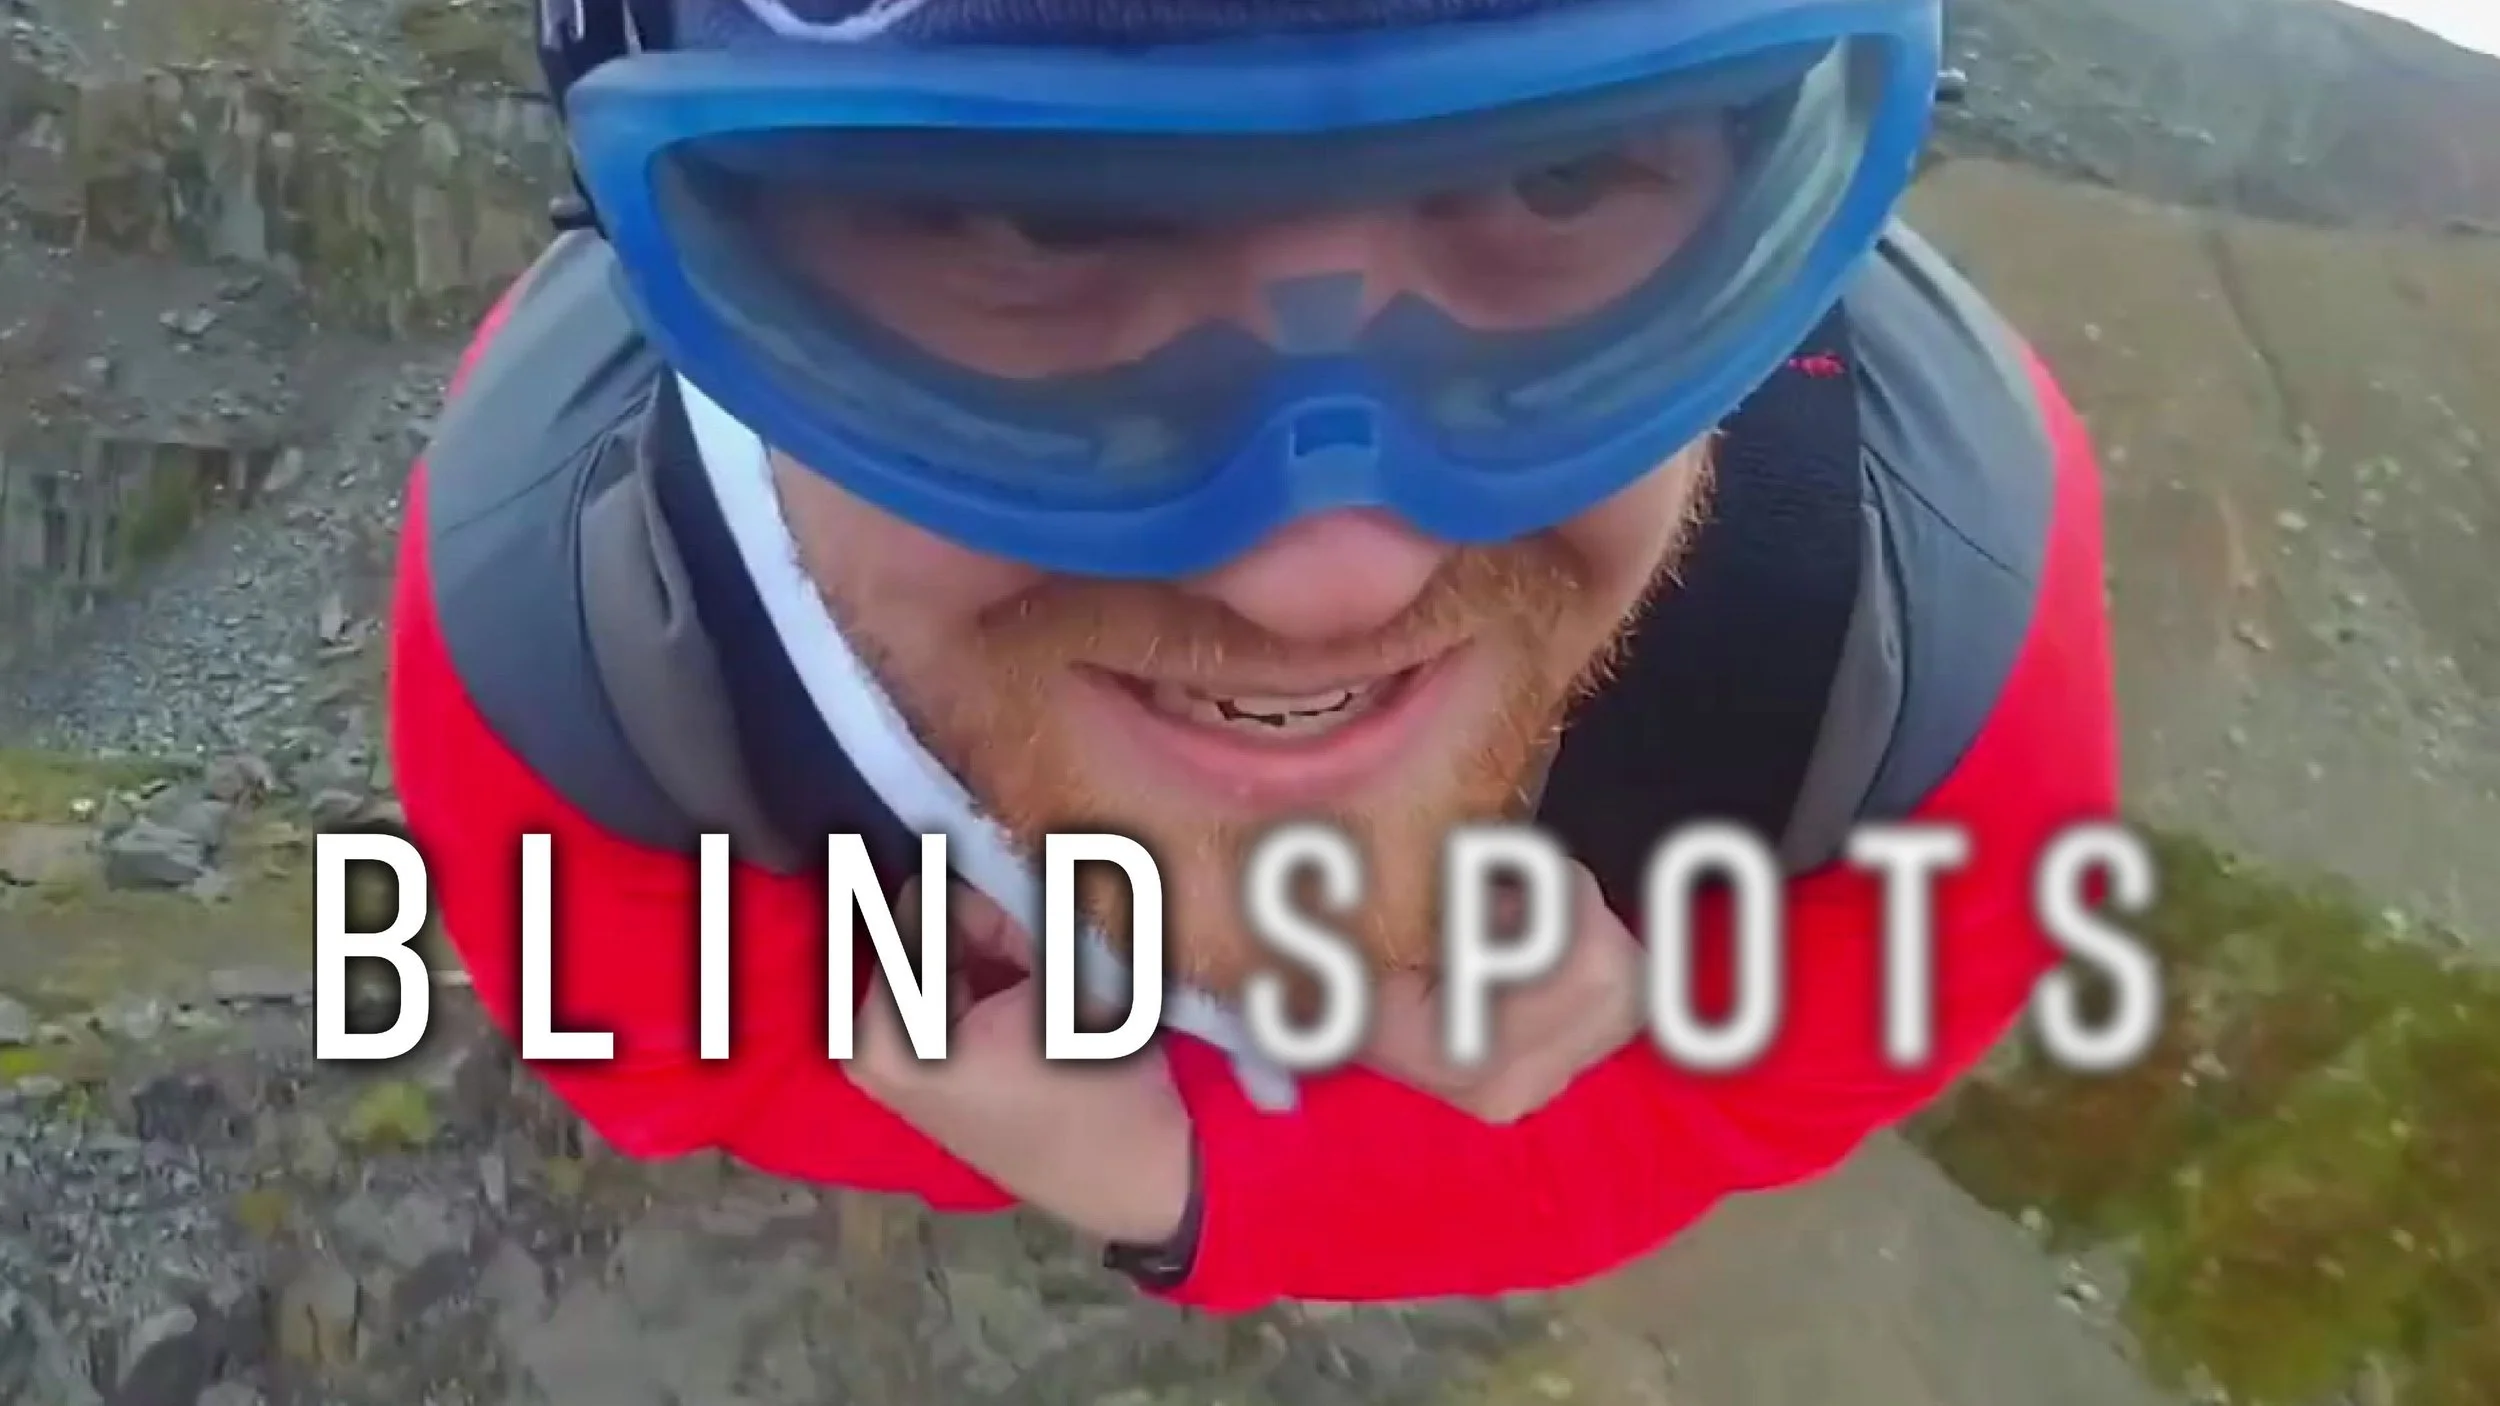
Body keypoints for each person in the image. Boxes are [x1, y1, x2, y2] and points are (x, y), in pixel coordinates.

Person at [388, 0, 2119, 1313]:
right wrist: (1294, 1171)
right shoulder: (572, 635)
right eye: (1031, 223)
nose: (1322, 585)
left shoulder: (1912, 626)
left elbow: (669, 1050)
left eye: (1562, 174)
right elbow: (1777, 1090)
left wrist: (1169, 1170)